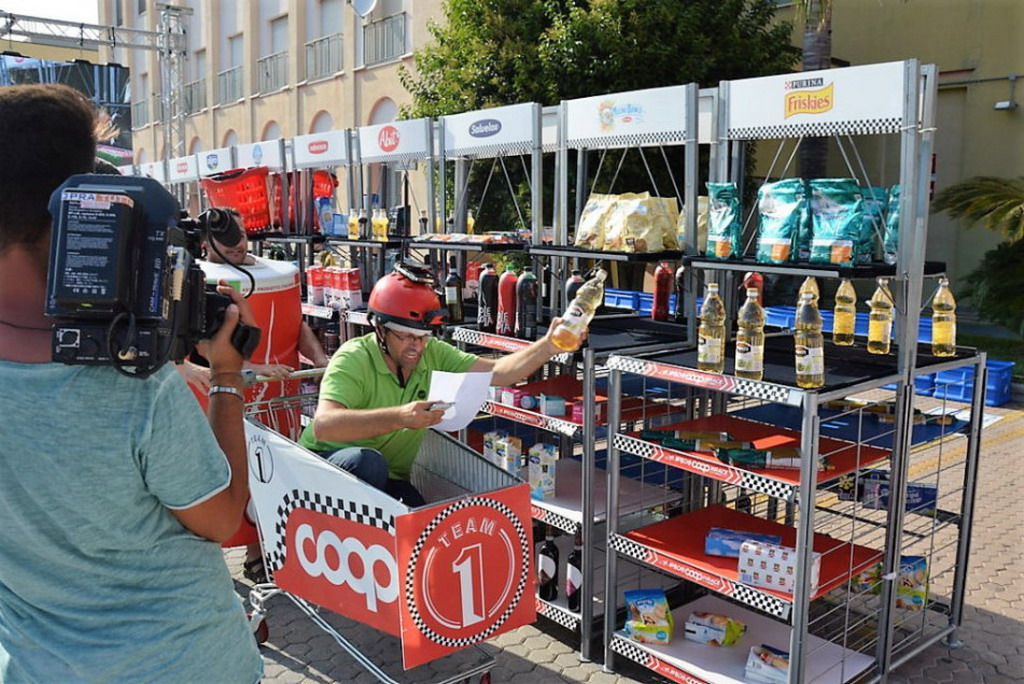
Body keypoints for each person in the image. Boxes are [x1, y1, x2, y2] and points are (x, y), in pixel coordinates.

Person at [0, 84, 263, 683]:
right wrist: (226, 376)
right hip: (186, 665)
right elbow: (222, 519)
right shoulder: (131, 382)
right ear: (75, 205)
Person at [298, 264, 582, 507]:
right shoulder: (353, 357)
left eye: (423, 336)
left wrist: (548, 346)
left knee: (421, 517)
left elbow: (498, 372)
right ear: (380, 329)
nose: (417, 347)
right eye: (406, 336)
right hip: (323, 467)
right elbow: (325, 425)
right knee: (368, 462)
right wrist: (401, 417)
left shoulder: (432, 352)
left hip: (386, 479)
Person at [189, 222, 331, 581]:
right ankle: (227, 563)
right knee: (224, 474)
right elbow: (201, 347)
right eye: (229, 246)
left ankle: (267, 551)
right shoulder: (199, 280)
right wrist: (249, 368)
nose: (238, 249)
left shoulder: (276, 273)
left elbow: (295, 323)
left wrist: (319, 359)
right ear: (206, 244)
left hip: (276, 396)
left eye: (241, 240)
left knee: (271, 472)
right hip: (221, 396)